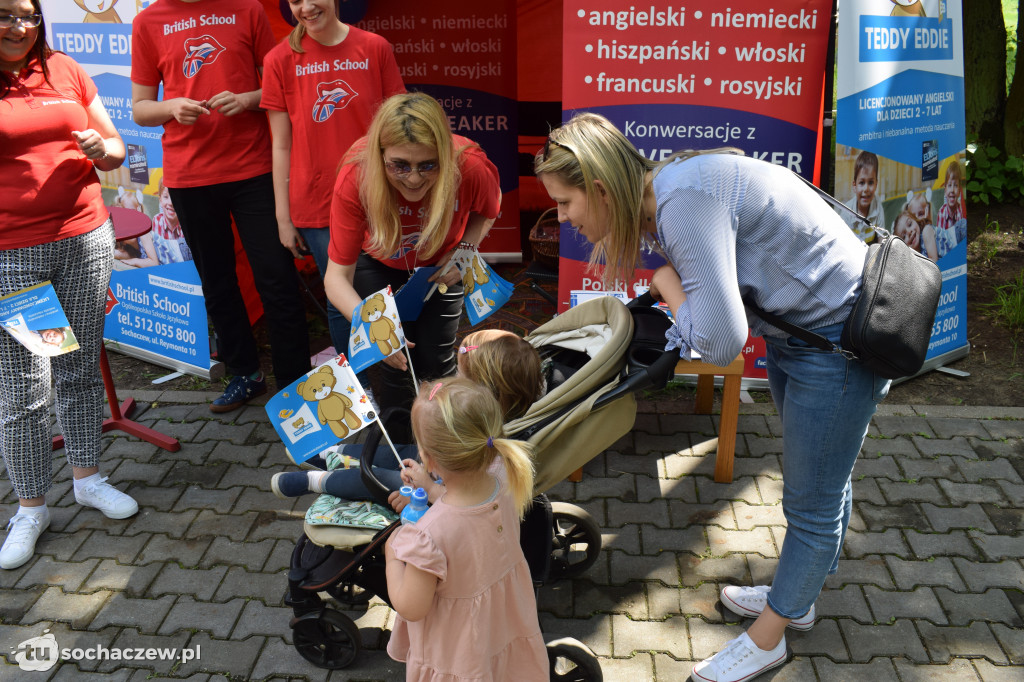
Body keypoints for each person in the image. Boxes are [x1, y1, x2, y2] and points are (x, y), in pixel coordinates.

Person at [535, 112, 891, 682]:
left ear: (600, 189)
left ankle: (770, 638)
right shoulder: (670, 190)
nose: (563, 218)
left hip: (836, 346)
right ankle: (793, 601)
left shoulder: (681, 204)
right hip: (804, 335)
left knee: (813, 503)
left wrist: (669, 287)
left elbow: (722, 342)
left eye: (565, 203)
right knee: (824, 482)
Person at [0, 0, 138, 570]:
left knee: (78, 365)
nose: (19, 26)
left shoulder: (64, 69)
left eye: (28, 16)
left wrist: (103, 150)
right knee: (28, 382)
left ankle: (87, 477)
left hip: (83, 238)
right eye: (6, 15)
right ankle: (31, 507)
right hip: (16, 255)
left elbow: (116, 148)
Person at [131, 0, 311, 412]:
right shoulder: (148, 21)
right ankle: (245, 375)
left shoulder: (246, 9)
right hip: (189, 175)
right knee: (217, 282)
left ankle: (297, 385)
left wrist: (248, 100)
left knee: (277, 279)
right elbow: (141, 107)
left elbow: (280, 86)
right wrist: (171, 107)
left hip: (253, 168)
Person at [325, 92, 502, 416]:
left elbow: (489, 207)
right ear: (380, 156)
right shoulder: (357, 177)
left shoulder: (470, 166)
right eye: (400, 166)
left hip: (439, 266)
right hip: (378, 263)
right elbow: (336, 278)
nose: (415, 178)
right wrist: (374, 326)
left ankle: (444, 446)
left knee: (437, 361)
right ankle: (402, 455)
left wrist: (464, 253)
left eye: (428, 165)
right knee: (394, 367)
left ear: (445, 156)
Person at [261, 0, 404, 353]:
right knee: (341, 296)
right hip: (317, 200)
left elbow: (400, 126)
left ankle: (397, 382)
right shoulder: (279, 59)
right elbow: (281, 145)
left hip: (378, 194)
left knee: (388, 290)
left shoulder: (375, 47)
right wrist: (282, 216)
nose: (306, 7)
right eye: (295, 1)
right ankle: (359, 388)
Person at [383, 377, 548, 681]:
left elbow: (410, 606)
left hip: (458, 647)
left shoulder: (427, 536)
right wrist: (433, 490)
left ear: (427, 457)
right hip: (503, 621)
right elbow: (468, 509)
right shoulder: (505, 474)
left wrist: (392, 555)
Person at [270, 328, 544, 501]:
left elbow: (463, 500)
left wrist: (428, 486)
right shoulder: (483, 417)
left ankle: (317, 482)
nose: (454, 377)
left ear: (484, 392)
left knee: (376, 478)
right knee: (397, 450)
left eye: (460, 374)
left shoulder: (490, 452)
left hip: (439, 484)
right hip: (436, 464)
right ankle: (331, 453)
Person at [839, 150, 881, 241]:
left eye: (870, 182)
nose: (866, 189)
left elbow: (882, 238)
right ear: (854, 186)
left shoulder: (877, 205)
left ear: (876, 184)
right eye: (862, 183)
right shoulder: (846, 212)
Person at [112, 186, 159, 268]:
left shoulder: (143, 233)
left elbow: (154, 263)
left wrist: (135, 261)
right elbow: (117, 253)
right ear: (123, 242)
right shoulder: (134, 252)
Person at [936, 160, 967, 247]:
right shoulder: (941, 213)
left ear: (959, 191)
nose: (952, 190)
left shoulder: (959, 209)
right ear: (945, 190)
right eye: (949, 185)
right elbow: (939, 240)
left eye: (956, 185)